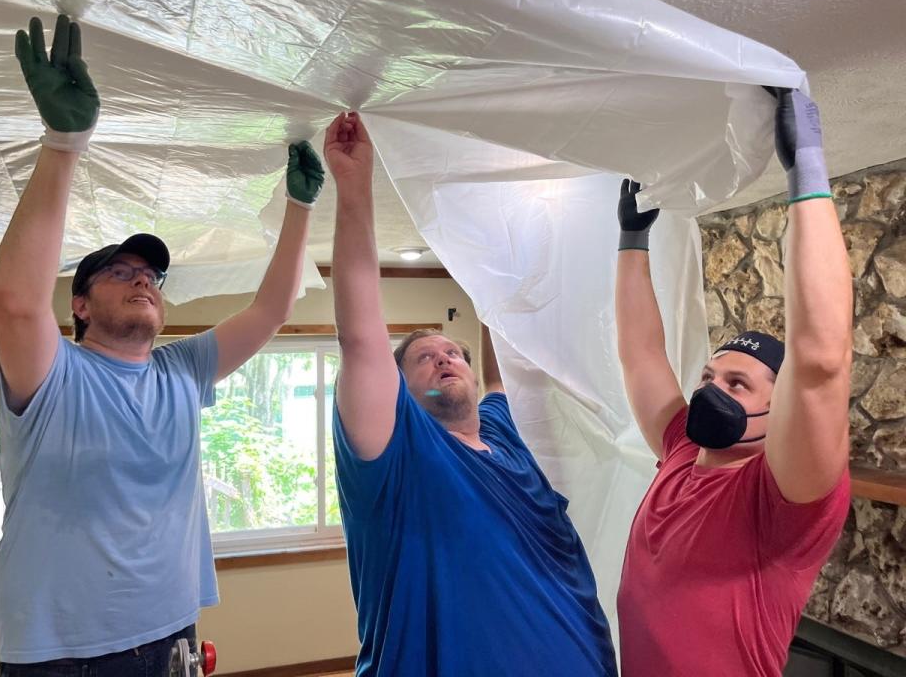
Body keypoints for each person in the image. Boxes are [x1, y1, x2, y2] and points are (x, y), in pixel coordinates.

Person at [0, 15, 323, 676]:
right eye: (121, 272)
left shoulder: (181, 370)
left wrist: (301, 206)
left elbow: (272, 308)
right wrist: (64, 143)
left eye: (150, 276)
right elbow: (15, 303)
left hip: (172, 635)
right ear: (80, 305)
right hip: (65, 653)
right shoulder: (54, 374)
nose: (143, 279)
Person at [325, 111, 617, 676]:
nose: (444, 358)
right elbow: (360, 338)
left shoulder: (502, 432)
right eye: (423, 357)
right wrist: (355, 186)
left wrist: (488, 286)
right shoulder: (397, 455)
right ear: (399, 390)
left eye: (452, 352)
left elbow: (500, 365)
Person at [614, 88, 852, 676]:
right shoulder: (681, 448)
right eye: (709, 375)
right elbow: (642, 354)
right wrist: (632, 240)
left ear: (782, 417)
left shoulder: (782, 502)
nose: (711, 390)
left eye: (738, 385)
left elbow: (820, 361)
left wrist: (808, 173)